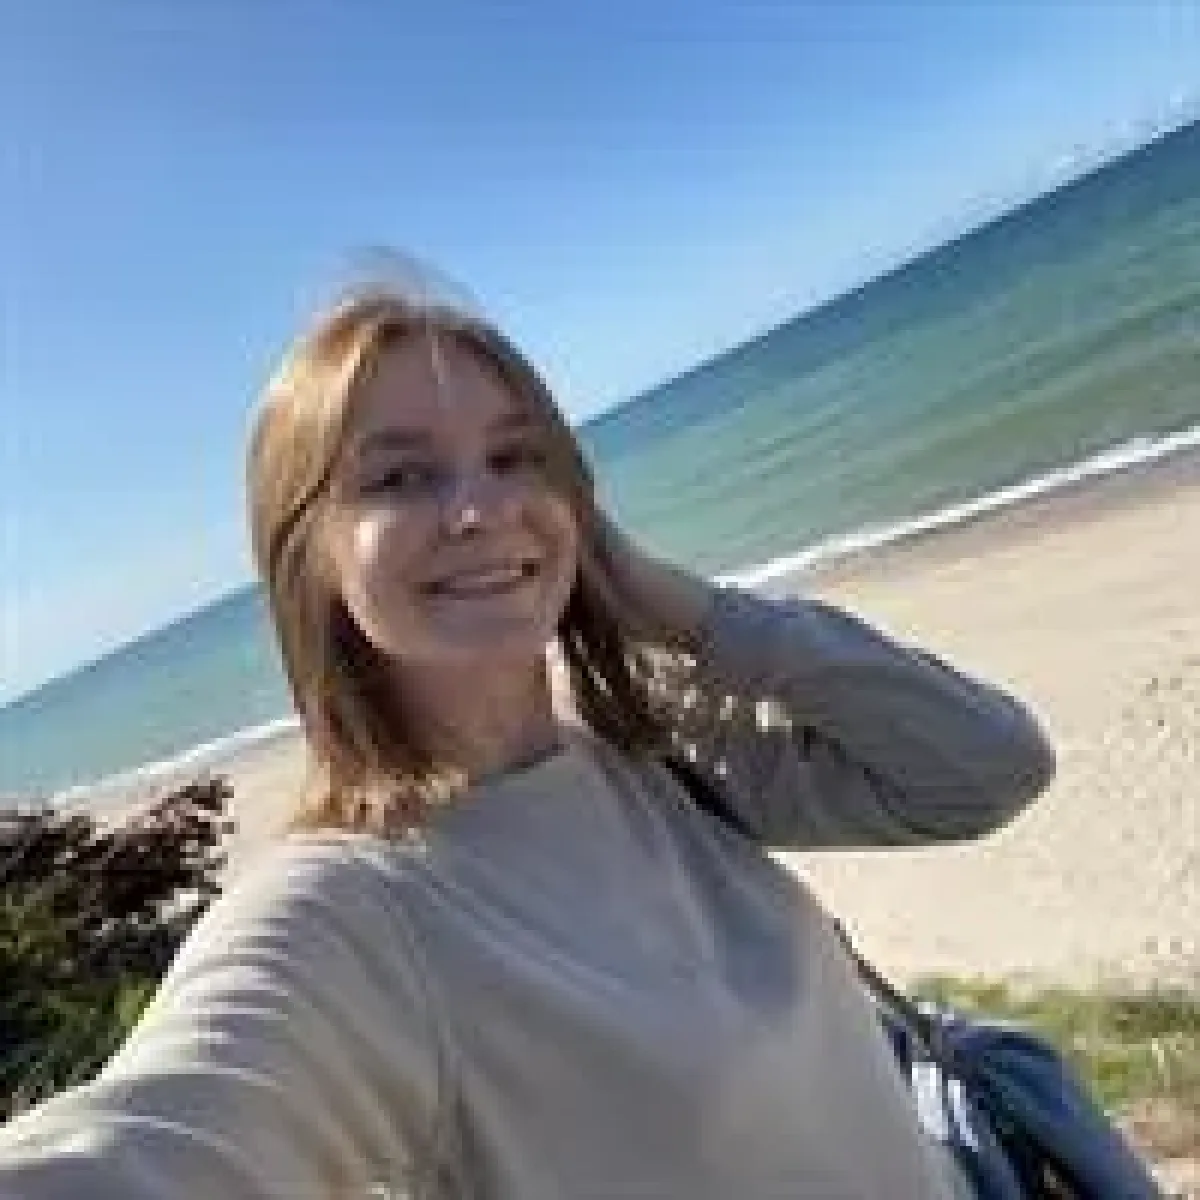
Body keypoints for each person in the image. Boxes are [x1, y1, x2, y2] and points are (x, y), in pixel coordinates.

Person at [0, 282, 1056, 1198]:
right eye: (399, 476)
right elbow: (149, 1142)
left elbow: (984, 768)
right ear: (306, 554)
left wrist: (683, 609)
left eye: (516, 458)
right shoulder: (353, 916)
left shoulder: (657, 756)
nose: (480, 508)